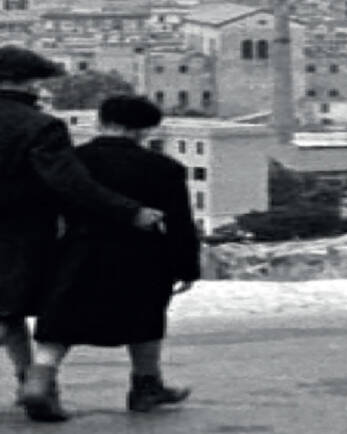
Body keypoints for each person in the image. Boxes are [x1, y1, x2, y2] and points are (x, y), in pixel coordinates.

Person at [0, 45, 164, 411]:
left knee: (5, 311)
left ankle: (33, 383)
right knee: (18, 309)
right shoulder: (40, 127)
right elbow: (71, 183)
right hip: (20, 232)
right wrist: (130, 212)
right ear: (27, 83)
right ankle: (35, 384)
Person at [20, 95, 200, 422]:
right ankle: (147, 387)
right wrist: (186, 266)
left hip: (77, 250)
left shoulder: (73, 161)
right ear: (145, 130)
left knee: (60, 323)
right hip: (141, 255)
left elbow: (46, 211)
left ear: (101, 121)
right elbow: (180, 223)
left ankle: (38, 383)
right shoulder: (164, 169)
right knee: (145, 320)